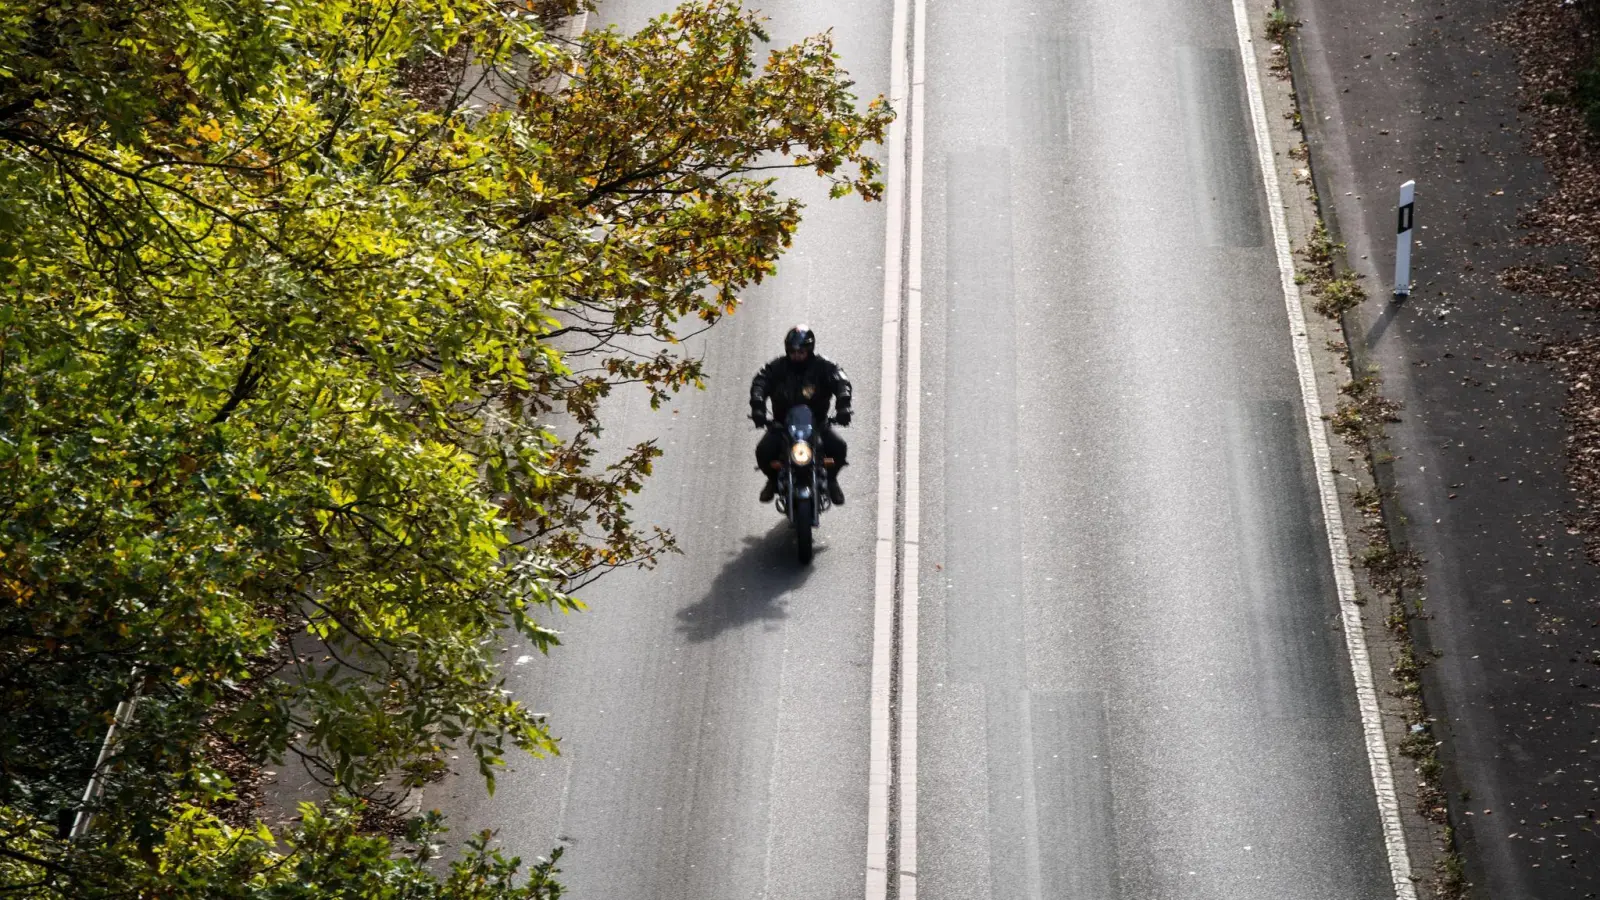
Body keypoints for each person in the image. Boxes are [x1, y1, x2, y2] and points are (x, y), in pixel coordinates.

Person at [750, 325, 852, 505]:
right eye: (792, 351)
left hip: (817, 424)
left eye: (801, 351)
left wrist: (843, 404)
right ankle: (773, 480)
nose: (796, 355)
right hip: (783, 426)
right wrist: (758, 406)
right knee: (763, 451)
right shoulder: (777, 368)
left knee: (839, 447)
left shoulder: (823, 367)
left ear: (810, 350)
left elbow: (840, 380)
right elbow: (761, 381)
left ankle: (831, 480)